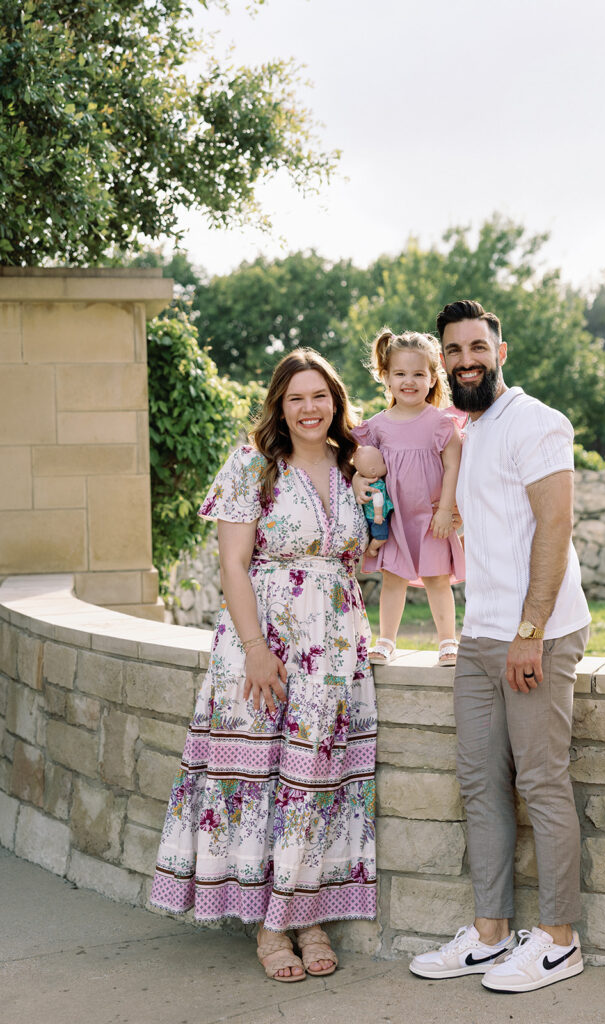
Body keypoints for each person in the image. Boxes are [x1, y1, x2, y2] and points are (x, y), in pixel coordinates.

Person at [150, 349, 377, 984]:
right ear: (279, 405)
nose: (310, 408)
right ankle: (271, 927)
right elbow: (232, 564)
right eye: (296, 398)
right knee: (263, 780)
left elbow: (367, 551)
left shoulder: (352, 465)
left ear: (336, 401)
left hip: (335, 650)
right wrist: (255, 648)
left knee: (317, 781)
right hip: (264, 644)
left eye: (320, 396)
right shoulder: (253, 465)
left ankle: (306, 916)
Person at [409, 300, 591, 993]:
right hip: (480, 634)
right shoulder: (471, 431)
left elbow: (555, 525)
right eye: (453, 351)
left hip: (535, 634)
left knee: (540, 782)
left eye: (477, 347)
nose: (465, 361)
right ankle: (490, 936)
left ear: (501, 352)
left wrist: (530, 632)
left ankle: (559, 941)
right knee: (481, 784)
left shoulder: (536, 422)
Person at [352, 328, 465, 667]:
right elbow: (362, 464)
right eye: (400, 374)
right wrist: (358, 479)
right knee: (393, 578)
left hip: (431, 517)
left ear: (433, 378)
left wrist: (446, 510)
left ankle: (448, 641)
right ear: (386, 377)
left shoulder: (440, 423)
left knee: (437, 579)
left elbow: (453, 466)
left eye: (418, 374)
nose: (409, 381)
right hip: (395, 519)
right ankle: (386, 640)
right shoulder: (376, 426)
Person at [353, 445, 394, 556]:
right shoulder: (377, 486)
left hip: (369, 515)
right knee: (381, 537)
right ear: (373, 471)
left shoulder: (366, 483)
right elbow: (378, 500)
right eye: (383, 462)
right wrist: (378, 514)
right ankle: (371, 549)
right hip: (377, 517)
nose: (385, 464)